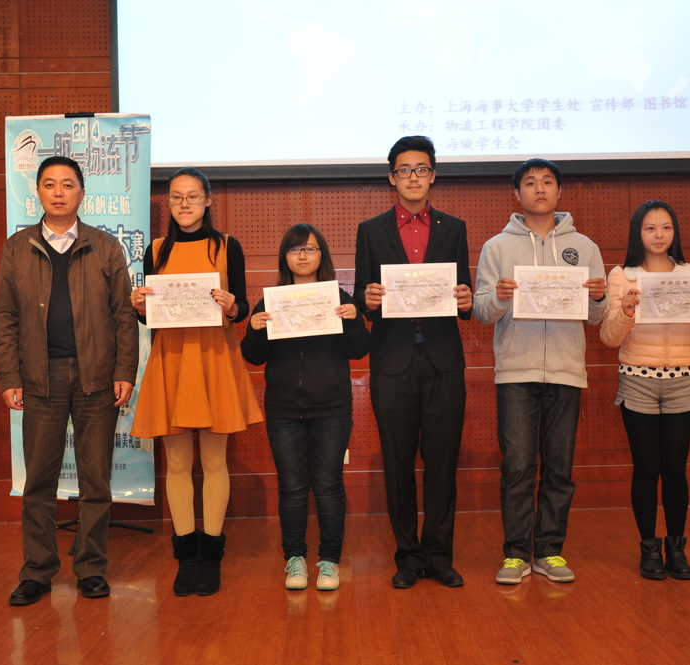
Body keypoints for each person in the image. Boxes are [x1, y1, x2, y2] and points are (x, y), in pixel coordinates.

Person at [0, 156, 139, 606]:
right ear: (37, 191)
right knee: (39, 481)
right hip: (40, 378)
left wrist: (124, 371)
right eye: (49, 184)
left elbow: (124, 316)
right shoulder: (17, 247)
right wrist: (9, 374)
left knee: (96, 481)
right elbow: (5, 317)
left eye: (67, 184)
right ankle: (36, 572)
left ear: (82, 193)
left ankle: (91, 569)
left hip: (97, 376)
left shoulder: (105, 246)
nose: (58, 192)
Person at [473, 158, 607, 585]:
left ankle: (549, 551)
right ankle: (516, 554)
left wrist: (599, 298)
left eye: (548, 181)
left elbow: (597, 318)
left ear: (559, 191)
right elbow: (481, 312)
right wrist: (499, 296)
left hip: (567, 370)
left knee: (559, 469)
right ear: (517, 194)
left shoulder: (584, 246)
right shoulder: (497, 247)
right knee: (516, 467)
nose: (540, 188)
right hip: (516, 372)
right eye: (530, 183)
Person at [130, 167, 262, 597]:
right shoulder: (155, 250)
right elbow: (151, 316)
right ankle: (186, 556)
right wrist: (138, 306)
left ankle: (212, 554)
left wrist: (232, 306)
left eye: (192, 196)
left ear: (207, 200)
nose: (184, 204)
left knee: (215, 461)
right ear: (168, 203)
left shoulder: (227, 246)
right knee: (178, 463)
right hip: (171, 358)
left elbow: (241, 308)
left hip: (213, 357)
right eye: (176, 197)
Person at [353, 136, 474, 589]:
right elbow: (362, 295)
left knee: (442, 464)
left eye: (421, 169)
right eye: (404, 170)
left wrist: (465, 299)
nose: (413, 177)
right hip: (392, 360)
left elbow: (463, 295)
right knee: (398, 463)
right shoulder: (372, 230)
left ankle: (439, 556)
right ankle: (407, 556)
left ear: (433, 175)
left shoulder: (454, 228)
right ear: (392, 177)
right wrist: (366, 298)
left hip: (443, 360)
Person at [599, 200, 690, 580]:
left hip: (683, 379)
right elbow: (608, 338)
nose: (659, 235)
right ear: (638, 233)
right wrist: (626, 312)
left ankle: (677, 549)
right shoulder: (622, 275)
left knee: (674, 469)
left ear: (675, 232)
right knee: (646, 468)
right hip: (637, 379)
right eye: (650, 228)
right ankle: (648, 549)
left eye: (666, 227)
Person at [240, 224, 370, 591]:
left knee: (328, 485)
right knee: (292, 488)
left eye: (310, 249)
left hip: (332, 408)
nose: (302, 255)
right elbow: (253, 356)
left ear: (321, 255)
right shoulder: (271, 301)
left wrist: (354, 321)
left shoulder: (339, 297)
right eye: (295, 249)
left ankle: (329, 560)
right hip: (283, 410)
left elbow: (360, 349)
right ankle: (295, 559)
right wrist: (254, 328)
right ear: (285, 256)